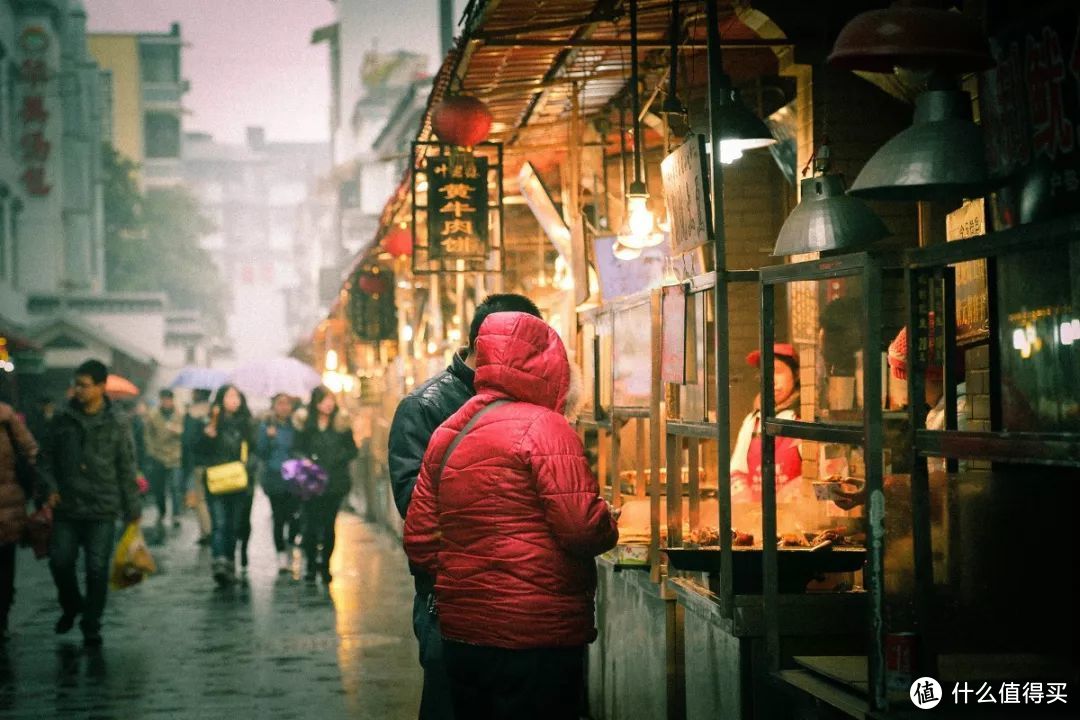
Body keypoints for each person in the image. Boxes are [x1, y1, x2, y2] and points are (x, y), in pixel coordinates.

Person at [404, 311, 619, 720]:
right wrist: (606, 518)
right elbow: (582, 530)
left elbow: (419, 542)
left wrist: (467, 586)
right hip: (538, 636)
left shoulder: (449, 431)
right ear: (548, 365)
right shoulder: (548, 428)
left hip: (464, 636)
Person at [388, 292, 542, 720]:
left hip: (520, 601)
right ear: (487, 341)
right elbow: (415, 507)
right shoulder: (424, 407)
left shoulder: (528, 400)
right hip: (453, 602)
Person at [37, 359, 141, 646]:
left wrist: (133, 508)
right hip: (67, 507)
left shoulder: (118, 422)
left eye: (84, 385)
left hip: (102, 507)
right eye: (76, 385)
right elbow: (44, 459)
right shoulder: (61, 419)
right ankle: (71, 606)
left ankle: (92, 622)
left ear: (100, 387)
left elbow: (126, 466)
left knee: (96, 569)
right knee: (60, 562)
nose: (78, 391)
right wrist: (50, 488)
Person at [294, 386, 356, 584]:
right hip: (311, 483)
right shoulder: (305, 425)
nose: (328, 404)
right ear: (316, 402)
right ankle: (311, 565)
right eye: (324, 400)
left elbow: (353, 450)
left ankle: (325, 565)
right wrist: (305, 460)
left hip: (334, 482)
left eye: (331, 399)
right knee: (310, 525)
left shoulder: (341, 423)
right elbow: (296, 449)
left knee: (329, 525)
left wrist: (338, 457)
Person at [730, 343, 803, 504]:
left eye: (778, 371)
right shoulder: (752, 421)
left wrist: (794, 491)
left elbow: (817, 477)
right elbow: (736, 471)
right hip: (756, 519)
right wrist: (744, 500)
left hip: (795, 520)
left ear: (796, 374)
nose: (771, 380)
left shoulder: (803, 420)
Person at [198, 384, 256, 586]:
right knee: (220, 523)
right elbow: (198, 450)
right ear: (221, 399)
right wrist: (209, 433)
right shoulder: (211, 422)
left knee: (234, 525)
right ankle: (219, 562)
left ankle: (230, 562)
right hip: (216, 480)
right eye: (229, 396)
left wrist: (249, 466)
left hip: (239, 481)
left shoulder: (247, 424)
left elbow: (256, 450)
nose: (233, 400)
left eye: (236, 396)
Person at [0, 401, 40, 642]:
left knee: (4, 565)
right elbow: (32, 451)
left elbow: (31, 452)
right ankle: (2, 617)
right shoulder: (7, 417)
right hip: (10, 504)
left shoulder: (6, 419)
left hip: (8, 506)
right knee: (4, 566)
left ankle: (1, 615)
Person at [255, 393, 300, 573]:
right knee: (278, 517)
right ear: (274, 406)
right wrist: (268, 437)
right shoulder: (267, 427)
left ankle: (290, 543)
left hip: (295, 476)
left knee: (294, 516)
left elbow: (300, 447)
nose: (284, 407)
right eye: (280, 404)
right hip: (274, 476)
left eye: (287, 404)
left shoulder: (296, 426)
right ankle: (281, 554)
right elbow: (261, 452)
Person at [145, 388, 185, 529]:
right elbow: (148, 435)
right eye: (164, 399)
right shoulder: (153, 415)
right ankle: (162, 511)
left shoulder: (180, 414)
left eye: (168, 399)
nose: (166, 402)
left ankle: (176, 514)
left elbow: (186, 433)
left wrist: (177, 430)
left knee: (175, 487)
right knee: (159, 488)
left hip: (175, 456)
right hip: (159, 456)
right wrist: (151, 452)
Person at [183, 388, 213, 546]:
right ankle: (211, 530)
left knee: (200, 499)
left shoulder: (191, 414)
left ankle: (206, 531)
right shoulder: (214, 411)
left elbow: (187, 440)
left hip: (199, 462)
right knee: (211, 499)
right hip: (215, 462)